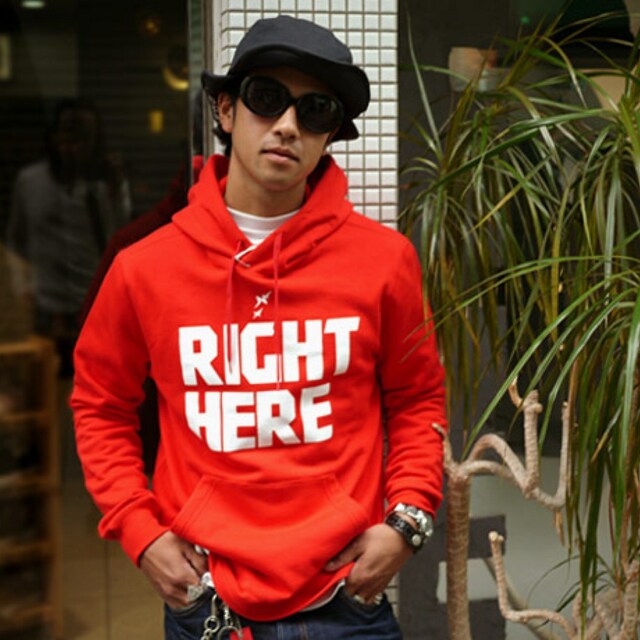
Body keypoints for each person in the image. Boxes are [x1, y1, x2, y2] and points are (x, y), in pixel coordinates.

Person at [71, 15, 447, 640]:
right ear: (225, 109)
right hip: (209, 605)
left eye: (316, 111)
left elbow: (417, 398)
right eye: (267, 98)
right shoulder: (144, 269)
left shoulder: (385, 261)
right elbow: (100, 405)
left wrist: (407, 523)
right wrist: (138, 529)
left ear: (330, 136)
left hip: (347, 602)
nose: (288, 125)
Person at [7, 98, 131, 375]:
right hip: (44, 311)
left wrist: (115, 191)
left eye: (83, 136)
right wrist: (21, 289)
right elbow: (16, 241)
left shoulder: (105, 185)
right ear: (54, 137)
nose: (74, 146)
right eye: (68, 134)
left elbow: (121, 239)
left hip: (95, 306)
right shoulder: (30, 182)